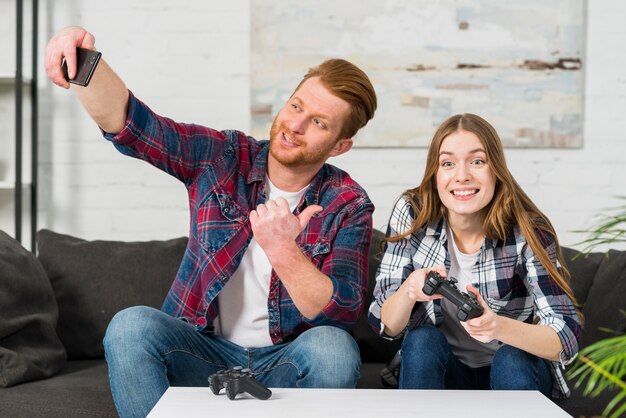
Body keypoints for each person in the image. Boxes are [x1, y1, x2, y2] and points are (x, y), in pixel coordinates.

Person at [45, 26, 377, 417]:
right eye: (297, 106)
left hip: (287, 361)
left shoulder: (349, 204)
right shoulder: (222, 157)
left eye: (319, 122)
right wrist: (84, 61)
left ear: (341, 146)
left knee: (334, 350)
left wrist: (282, 249)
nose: (296, 125)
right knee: (129, 327)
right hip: (203, 355)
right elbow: (134, 127)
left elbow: (338, 314)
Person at [368, 113, 581, 399]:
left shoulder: (527, 229)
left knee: (512, 358)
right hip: (446, 370)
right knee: (421, 342)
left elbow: (565, 337)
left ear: (496, 170)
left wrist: (498, 326)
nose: (462, 175)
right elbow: (386, 326)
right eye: (448, 163)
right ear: (435, 173)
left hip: (512, 373)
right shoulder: (412, 213)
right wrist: (410, 291)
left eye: (477, 161)